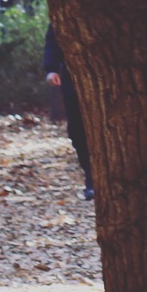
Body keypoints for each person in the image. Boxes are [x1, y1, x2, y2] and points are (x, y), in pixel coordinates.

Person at [41, 25, 94, 200]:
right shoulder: (67, 5)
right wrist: (51, 68)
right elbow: (55, 33)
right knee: (77, 130)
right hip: (74, 77)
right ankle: (91, 178)